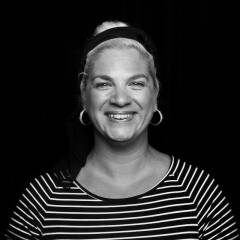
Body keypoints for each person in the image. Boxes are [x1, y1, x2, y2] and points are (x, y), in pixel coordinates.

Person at [5, 20, 239, 240]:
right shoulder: (41, 199)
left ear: (155, 93)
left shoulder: (199, 191)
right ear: (84, 95)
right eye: (104, 84)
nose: (119, 99)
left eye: (136, 83)